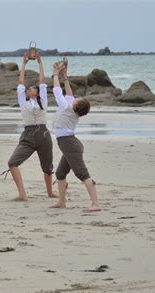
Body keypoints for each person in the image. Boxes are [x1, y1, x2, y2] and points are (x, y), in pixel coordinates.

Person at [50, 61, 101, 212]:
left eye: (77, 99)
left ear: (75, 106)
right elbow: (69, 93)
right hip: (69, 143)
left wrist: (55, 74)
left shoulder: (66, 107)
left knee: (82, 174)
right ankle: (61, 202)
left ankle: (96, 204)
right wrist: (65, 77)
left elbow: (57, 91)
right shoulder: (72, 107)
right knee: (60, 174)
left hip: (69, 144)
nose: (75, 98)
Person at [7, 52, 56, 201]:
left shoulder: (44, 101)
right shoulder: (24, 102)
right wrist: (24, 63)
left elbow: (42, 80)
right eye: (29, 89)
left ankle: (50, 192)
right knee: (12, 162)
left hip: (43, 135)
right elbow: (21, 82)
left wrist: (40, 63)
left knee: (47, 167)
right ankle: (22, 194)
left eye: (33, 88)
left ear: (38, 92)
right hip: (27, 135)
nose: (30, 89)